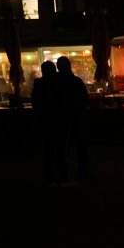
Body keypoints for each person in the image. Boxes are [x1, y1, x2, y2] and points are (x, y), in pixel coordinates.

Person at [55, 56, 89, 185]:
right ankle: (83, 172)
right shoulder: (76, 81)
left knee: (62, 147)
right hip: (77, 117)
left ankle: (63, 173)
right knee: (80, 146)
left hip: (60, 119)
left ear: (58, 67)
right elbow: (85, 99)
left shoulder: (55, 83)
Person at [33, 60, 65, 186]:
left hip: (45, 122)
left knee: (48, 150)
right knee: (60, 149)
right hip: (59, 120)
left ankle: (49, 177)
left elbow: (36, 103)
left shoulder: (39, 83)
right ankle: (62, 175)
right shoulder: (60, 82)